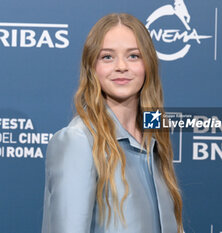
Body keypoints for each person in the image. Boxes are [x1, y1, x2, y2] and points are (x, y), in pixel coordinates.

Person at [41, 13, 183, 233]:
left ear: (149, 65)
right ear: (92, 67)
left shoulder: (155, 134)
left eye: (134, 56)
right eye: (107, 57)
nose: (121, 66)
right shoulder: (78, 140)